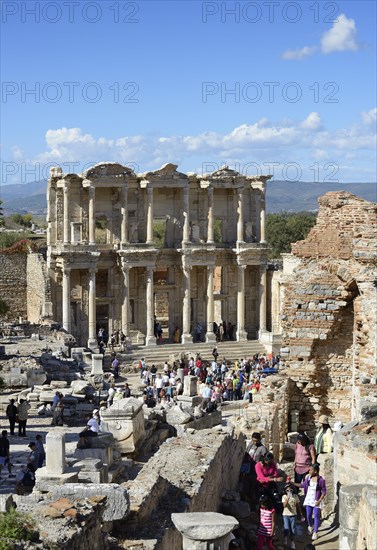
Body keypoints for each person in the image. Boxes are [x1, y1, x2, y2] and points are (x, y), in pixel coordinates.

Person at [301, 463, 327, 541]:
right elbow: (302, 485)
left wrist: (319, 501)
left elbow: (324, 491)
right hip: (309, 500)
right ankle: (310, 526)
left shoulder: (321, 480)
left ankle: (315, 532)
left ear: (315, 471)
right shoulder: (308, 478)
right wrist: (292, 483)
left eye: (311, 470)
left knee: (316, 516)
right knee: (308, 515)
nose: (309, 471)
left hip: (316, 501)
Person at [282, 481, 304, 549]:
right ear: (285, 490)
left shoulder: (295, 496)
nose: (289, 491)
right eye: (287, 490)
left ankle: (292, 542)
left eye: (290, 490)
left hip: (293, 515)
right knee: (287, 528)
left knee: (293, 530)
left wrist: (301, 515)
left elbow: (298, 506)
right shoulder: (284, 496)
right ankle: (285, 537)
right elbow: (284, 506)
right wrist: (287, 498)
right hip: (286, 515)